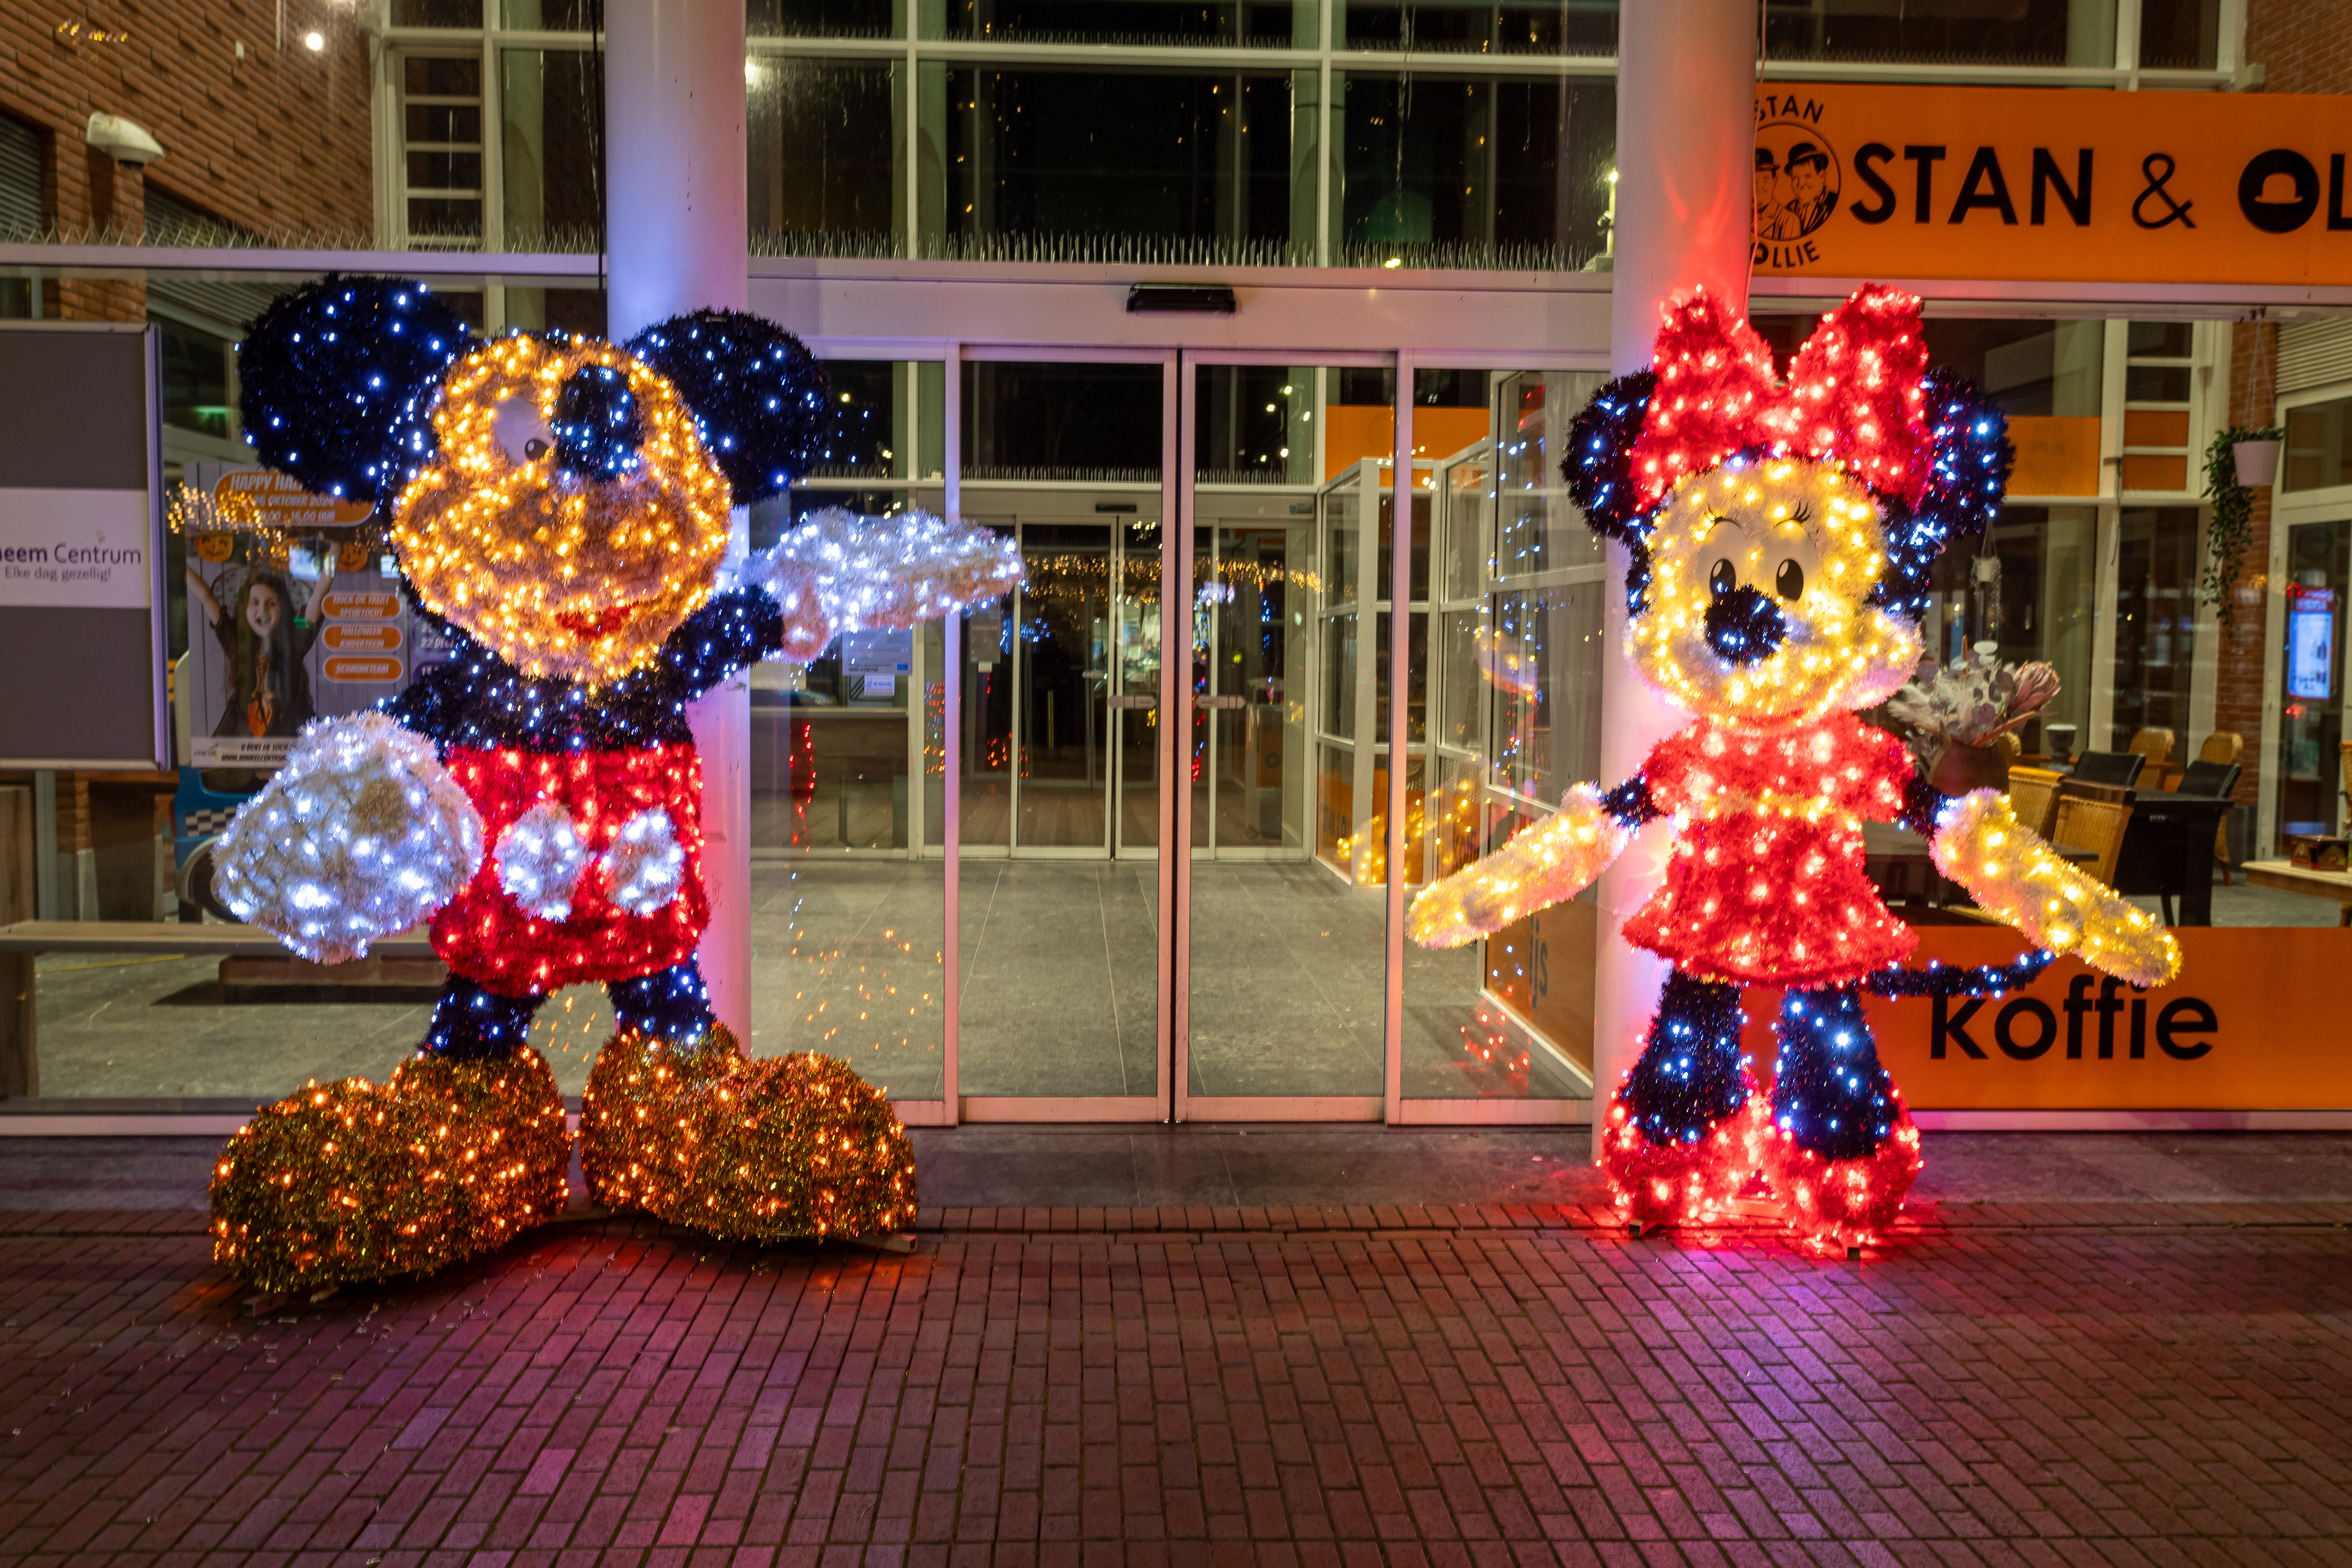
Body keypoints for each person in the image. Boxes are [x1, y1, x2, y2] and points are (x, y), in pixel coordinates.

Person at [185, 549, 331, 738]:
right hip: (241, 733)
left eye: (272, 604)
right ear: (245, 608)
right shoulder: (238, 642)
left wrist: (335, 550)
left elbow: (319, 595)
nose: (262, 611)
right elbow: (206, 596)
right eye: (254, 603)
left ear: (283, 609)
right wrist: (176, 558)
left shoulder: (293, 642)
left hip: (288, 729)